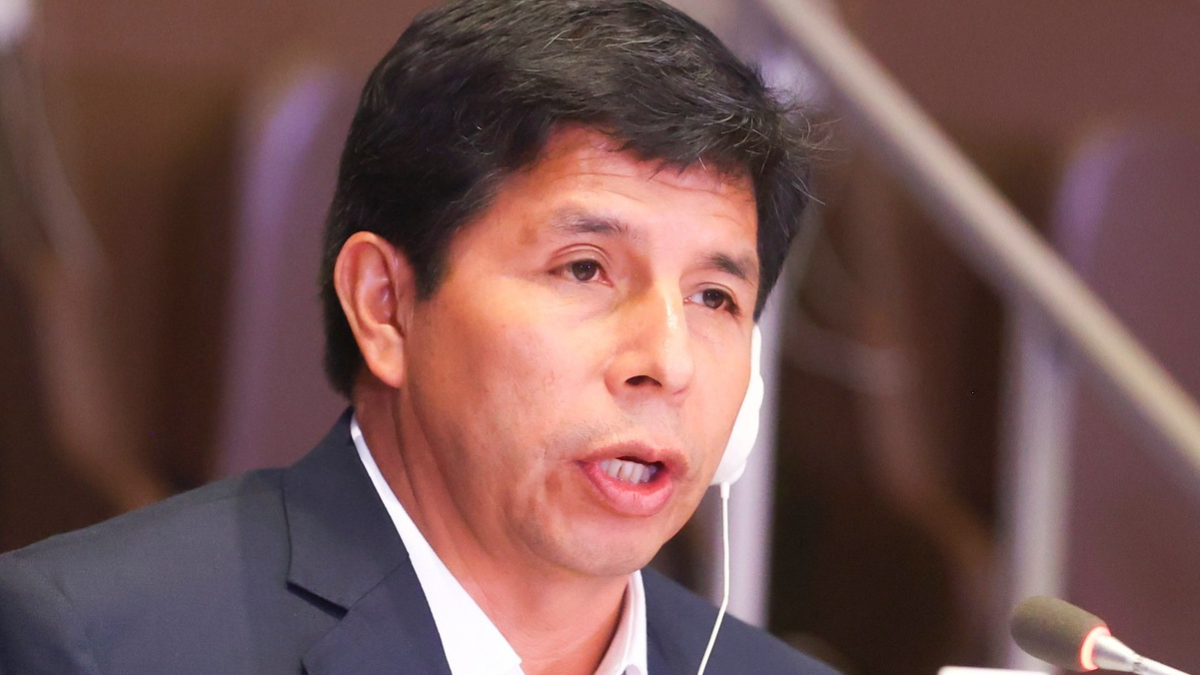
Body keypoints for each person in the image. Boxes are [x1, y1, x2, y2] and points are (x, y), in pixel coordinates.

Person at [0, 1, 834, 673]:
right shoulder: (99, 642)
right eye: (585, 269)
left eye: (715, 297)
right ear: (385, 305)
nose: (668, 361)